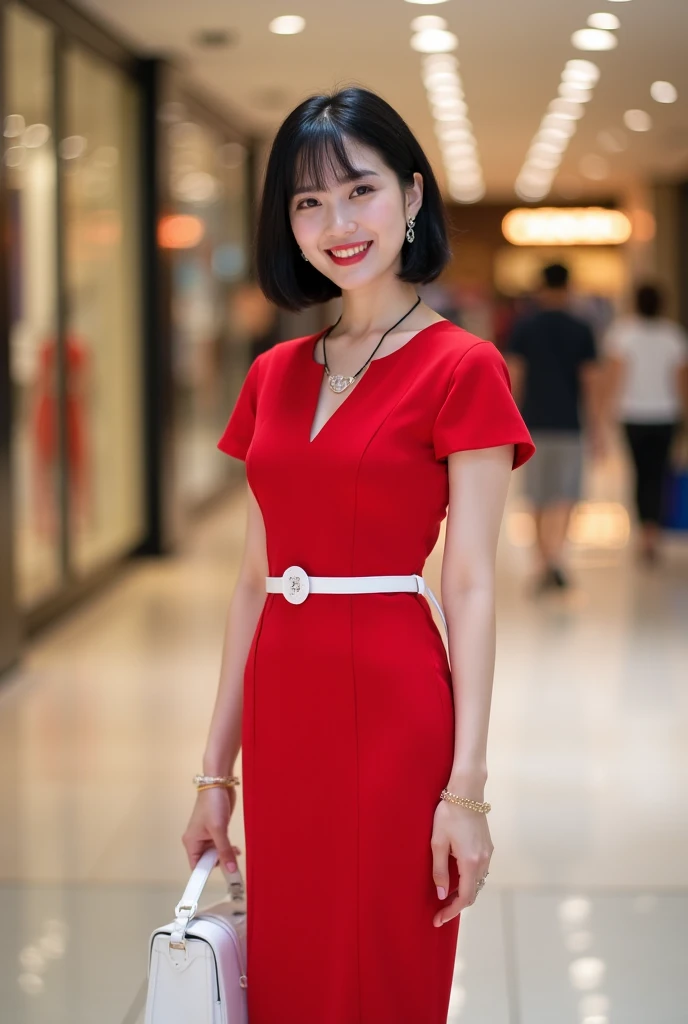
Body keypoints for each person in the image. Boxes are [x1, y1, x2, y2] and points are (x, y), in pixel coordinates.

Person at [182, 86, 535, 1024]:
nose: (337, 223)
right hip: (284, 701)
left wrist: (468, 792)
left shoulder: (464, 366)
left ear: (413, 197)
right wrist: (216, 775)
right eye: (308, 202)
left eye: (360, 191)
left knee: (381, 966)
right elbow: (254, 582)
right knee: (293, 964)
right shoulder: (271, 375)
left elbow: (468, 584)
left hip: (394, 700)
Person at [506, 263, 604, 592]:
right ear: (569, 287)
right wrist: (598, 427)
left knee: (536, 495)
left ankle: (541, 561)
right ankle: (556, 558)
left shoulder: (524, 326)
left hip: (532, 423)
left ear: (540, 286)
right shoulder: (581, 328)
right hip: (569, 424)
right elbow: (590, 382)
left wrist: (510, 419)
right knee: (565, 495)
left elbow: (515, 375)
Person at [604, 283, 688, 563]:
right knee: (660, 473)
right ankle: (655, 532)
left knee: (640, 473)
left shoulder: (623, 335)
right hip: (666, 414)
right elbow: (681, 382)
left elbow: (616, 378)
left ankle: (644, 532)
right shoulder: (673, 336)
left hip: (633, 414)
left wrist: (607, 412)